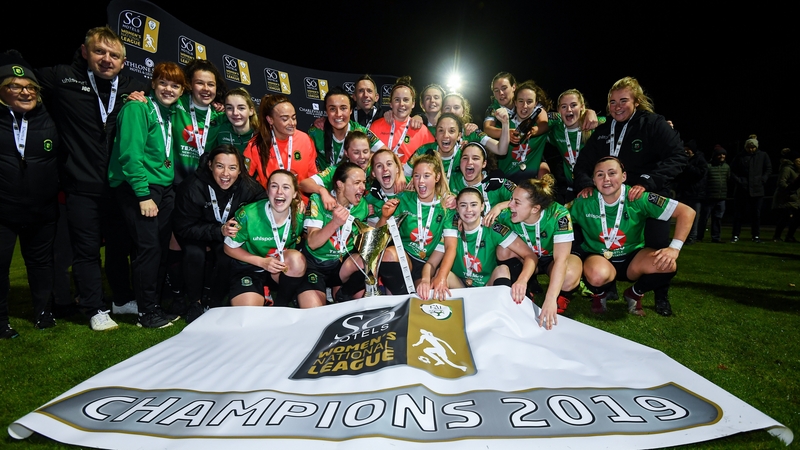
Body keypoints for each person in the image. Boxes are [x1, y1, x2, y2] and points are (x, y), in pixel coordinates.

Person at [36, 26, 145, 330]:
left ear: (124, 62)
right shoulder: (62, 78)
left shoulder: (134, 86)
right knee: (85, 250)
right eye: (99, 52)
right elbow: (21, 79)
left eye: (114, 55)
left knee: (119, 248)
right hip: (81, 186)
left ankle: (121, 299)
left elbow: (170, 97)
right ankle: (95, 306)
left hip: (118, 186)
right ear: (85, 52)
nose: (107, 59)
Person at [573, 76, 687, 316]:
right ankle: (607, 286)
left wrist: (648, 182)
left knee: (658, 249)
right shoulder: (604, 129)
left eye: (623, 100)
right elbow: (582, 164)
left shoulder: (654, 124)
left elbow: (677, 156)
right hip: (609, 197)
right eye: (612, 102)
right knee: (600, 239)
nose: (617, 106)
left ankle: (658, 294)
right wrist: (587, 184)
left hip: (647, 195)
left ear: (637, 101)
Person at [108, 61, 188, 329]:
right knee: (149, 248)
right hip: (139, 187)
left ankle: (151, 304)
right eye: (163, 82)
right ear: (152, 84)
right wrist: (143, 194)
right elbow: (130, 155)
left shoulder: (171, 112)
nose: (169, 89)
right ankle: (147, 313)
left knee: (158, 248)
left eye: (175, 85)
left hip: (163, 187)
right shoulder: (137, 107)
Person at [570, 157, 695, 316]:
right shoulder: (583, 201)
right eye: (600, 175)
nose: (606, 179)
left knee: (667, 265)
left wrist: (674, 248)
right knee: (596, 275)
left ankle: (634, 293)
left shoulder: (638, 197)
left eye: (612, 173)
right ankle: (599, 295)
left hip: (632, 258)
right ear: (593, 180)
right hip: (598, 256)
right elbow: (557, 217)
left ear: (623, 176)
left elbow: (687, 212)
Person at [0, 52, 59, 338]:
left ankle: (43, 312)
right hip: (3, 210)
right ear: (2, 90)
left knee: (41, 263)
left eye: (30, 87)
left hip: (42, 208)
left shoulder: (49, 115)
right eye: (15, 86)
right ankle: (1, 320)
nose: (25, 92)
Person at [173, 145, 267, 322]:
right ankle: (195, 302)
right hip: (195, 231)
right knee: (194, 253)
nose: (226, 174)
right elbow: (183, 227)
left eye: (232, 168)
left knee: (226, 255)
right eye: (219, 166)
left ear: (240, 169)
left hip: (223, 234)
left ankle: (214, 300)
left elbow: (263, 206)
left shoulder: (248, 186)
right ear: (210, 165)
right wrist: (218, 230)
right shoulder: (192, 187)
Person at [303, 163, 404, 302]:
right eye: (357, 183)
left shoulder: (362, 205)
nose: (363, 188)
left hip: (341, 267)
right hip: (316, 265)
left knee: (372, 257)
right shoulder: (318, 200)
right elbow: (312, 243)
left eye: (363, 182)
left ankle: (343, 293)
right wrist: (334, 223)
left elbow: (371, 242)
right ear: (340, 185)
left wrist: (384, 217)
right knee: (314, 312)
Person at [421, 188, 537, 306]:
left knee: (502, 270)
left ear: (482, 207)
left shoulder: (493, 228)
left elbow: (530, 255)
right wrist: (425, 280)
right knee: (441, 274)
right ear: (457, 208)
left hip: (486, 288)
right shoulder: (451, 231)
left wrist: (522, 280)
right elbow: (431, 263)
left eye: (473, 204)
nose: (468, 210)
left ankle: (503, 311)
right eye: (463, 205)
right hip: (460, 287)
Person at [496, 175, 582, 327]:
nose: (509, 205)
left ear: (535, 208)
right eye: (511, 200)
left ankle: (562, 295)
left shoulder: (559, 215)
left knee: (569, 276)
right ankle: (526, 287)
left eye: (516, 202)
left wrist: (550, 299)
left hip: (552, 258)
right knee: (503, 250)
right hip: (527, 258)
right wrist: (497, 207)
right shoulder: (506, 216)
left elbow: (561, 260)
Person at [224, 170, 318, 307]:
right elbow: (228, 248)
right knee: (248, 314)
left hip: (278, 268)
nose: (279, 192)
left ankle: (281, 304)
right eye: (274, 186)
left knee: (297, 261)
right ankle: (252, 292)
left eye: (286, 187)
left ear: (295, 194)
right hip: (249, 268)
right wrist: (261, 262)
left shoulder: (300, 214)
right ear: (267, 191)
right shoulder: (249, 214)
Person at [378, 153, 456, 293]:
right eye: (416, 176)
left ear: (437, 177)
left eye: (426, 176)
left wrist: (442, 277)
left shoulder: (446, 207)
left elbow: (451, 247)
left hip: (428, 264)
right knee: (387, 255)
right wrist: (384, 217)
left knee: (425, 295)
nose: (420, 182)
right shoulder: (403, 199)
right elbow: (377, 239)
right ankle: (400, 297)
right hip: (404, 258)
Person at [171, 59, 227, 186]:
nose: (206, 89)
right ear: (190, 85)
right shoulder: (176, 103)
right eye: (200, 83)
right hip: (173, 183)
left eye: (211, 84)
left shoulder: (220, 115)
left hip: (202, 185)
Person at [243, 94, 318, 189]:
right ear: (270, 120)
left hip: (301, 201)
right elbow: (244, 179)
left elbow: (313, 176)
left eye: (294, 118)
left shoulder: (305, 140)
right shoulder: (256, 145)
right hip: (270, 201)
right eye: (285, 119)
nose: (292, 123)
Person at [547, 89, 603, 203]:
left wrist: (590, 112)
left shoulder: (596, 125)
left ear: (582, 107)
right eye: (564, 106)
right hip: (571, 190)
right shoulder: (556, 130)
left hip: (597, 189)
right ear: (558, 110)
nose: (569, 110)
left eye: (573, 105)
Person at [309, 87, 384, 171]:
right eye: (332, 109)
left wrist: (368, 158)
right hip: (322, 182)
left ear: (351, 110)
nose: (338, 114)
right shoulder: (315, 132)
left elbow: (386, 153)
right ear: (326, 112)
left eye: (343, 108)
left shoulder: (361, 132)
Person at [495, 80, 551, 183]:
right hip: (505, 186)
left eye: (529, 101)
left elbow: (568, 118)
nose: (524, 106)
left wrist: (589, 112)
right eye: (521, 101)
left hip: (531, 185)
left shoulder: (542, 125)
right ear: (515, 102)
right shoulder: (503, 124)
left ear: (536, 104)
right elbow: (485, 133)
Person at [369, 76, 435, 164]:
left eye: (406, 100)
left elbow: (432, 162)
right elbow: (368, 156)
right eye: (397, 100)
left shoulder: (423, 131)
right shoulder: (376, 126)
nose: (401, 104)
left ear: (413, 104)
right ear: (391, 103)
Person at [449, 142, 515, 225]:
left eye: (475, 158)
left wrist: (499, 206)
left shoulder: (496, 182)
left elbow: (525, 200)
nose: (469, 162)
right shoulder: (451, 180)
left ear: (484, 163)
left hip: (491, 235)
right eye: (465, 158)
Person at [730, 136, 771, 243]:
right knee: (738, 214)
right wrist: (739, 181)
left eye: (753, 147)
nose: (751, 149)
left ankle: (756, 235)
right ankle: (735, 235)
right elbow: (732, 171)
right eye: (749, 147)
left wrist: (763, 180)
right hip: (742, 189)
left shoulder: (763, 155)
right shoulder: (740, 156)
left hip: (757, 190)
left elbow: (768, 168)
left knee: (756, 215)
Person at [675, 140, 707, 244]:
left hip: (695, 194)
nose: (686, 151)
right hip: (684, 192)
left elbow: (699, 174)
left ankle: (692, 237)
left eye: (688, 149)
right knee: (683, 216)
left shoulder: (700, 160)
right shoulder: (682, 160)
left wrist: (687, 165)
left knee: (693, 216)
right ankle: (682, 237)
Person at [698, 145, 730, 243]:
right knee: (704, 218)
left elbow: (728, 180)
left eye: (723, 154)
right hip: (709, 197)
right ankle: (699, 237)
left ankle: (716, 237)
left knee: (718, 218)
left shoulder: (726, 167)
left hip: (721, 197)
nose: (722, 156)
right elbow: (704, 181)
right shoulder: (709, 166)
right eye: (720, 154)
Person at [210, 87, 258, 153]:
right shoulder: (220, 131)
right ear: (225, 110)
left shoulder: (261, 135)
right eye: (229, 108)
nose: (235, 113)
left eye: (241, 108)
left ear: (251, 111)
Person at [772, 149, 800, 242]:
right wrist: (790, 189)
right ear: (793, 160)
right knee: (785, 218)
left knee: (796, 219)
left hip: (795, 199)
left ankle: (789, 236)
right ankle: (777, 236)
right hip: (785, 198)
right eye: (798, 159)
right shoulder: (787, 169)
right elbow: (781, 182)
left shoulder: (797, 170)